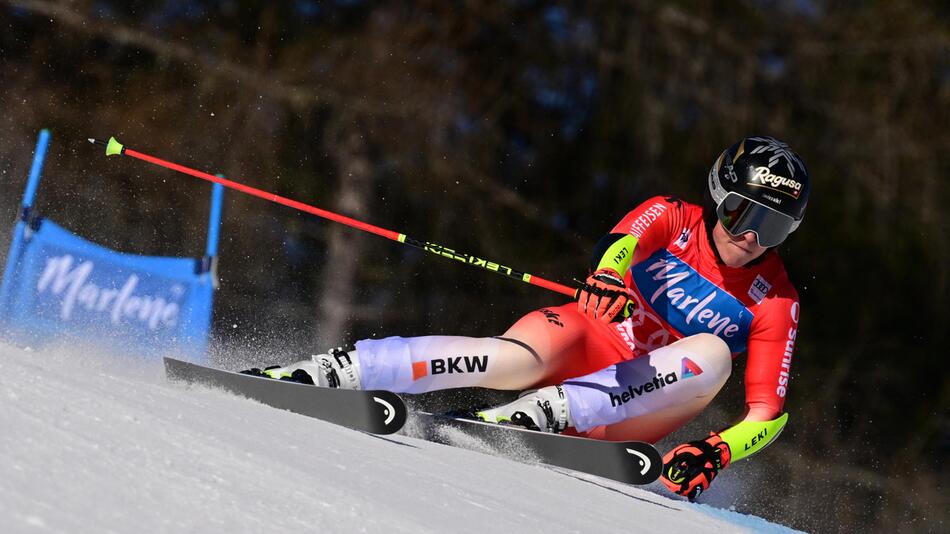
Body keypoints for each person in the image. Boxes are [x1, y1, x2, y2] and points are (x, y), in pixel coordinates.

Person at [246, 135, 808, 501]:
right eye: (742, 213)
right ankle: (334, 372)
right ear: (719, 196)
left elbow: (770, 414)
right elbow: (620, 243)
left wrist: (717, 451)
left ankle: (542, 414)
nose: (751, 236)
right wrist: (609, 276)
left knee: (711, 355)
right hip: (589, 337)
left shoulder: (774, 300)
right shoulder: (674, 217)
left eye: (773, 228)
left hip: (636, 404)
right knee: (507, 359)